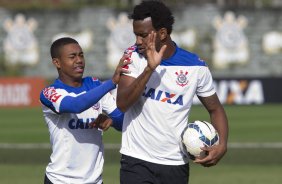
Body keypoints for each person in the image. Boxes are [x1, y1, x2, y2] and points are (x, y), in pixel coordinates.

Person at [116, 1, 229, 184]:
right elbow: (122, 103)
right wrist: (149, 69)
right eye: (136, 35)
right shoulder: (133, 56)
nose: (138, 41)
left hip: (176, 164)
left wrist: (222, 145)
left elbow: (215, 109)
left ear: (162, 33)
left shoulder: (195, 66)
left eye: (143, 35)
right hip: (136, 161)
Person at [40, 37, 130, 184]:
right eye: (72, 56)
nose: (79, 60)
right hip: (60, 180)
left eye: (81, 55)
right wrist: (112, 82)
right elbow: (75, 105)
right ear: (57, 63)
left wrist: (111, 121)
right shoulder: (50, 92)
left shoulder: (94, 85)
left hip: (94, 180)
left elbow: (123, 121)